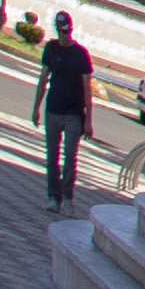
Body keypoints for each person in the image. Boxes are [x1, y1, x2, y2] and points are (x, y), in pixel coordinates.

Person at [38, 13, 94, 212]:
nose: (63, 35)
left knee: (70, 156)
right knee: (51, 157)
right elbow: (43, 78)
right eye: (60, 31)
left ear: (70, 30)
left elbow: (88, 88)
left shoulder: (80, 54)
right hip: (53, 109)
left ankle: (67, 196)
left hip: (73, 112)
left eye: (65, 31)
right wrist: (36, 108)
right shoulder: (51, 49)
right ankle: (54, 197)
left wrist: (88, 120)